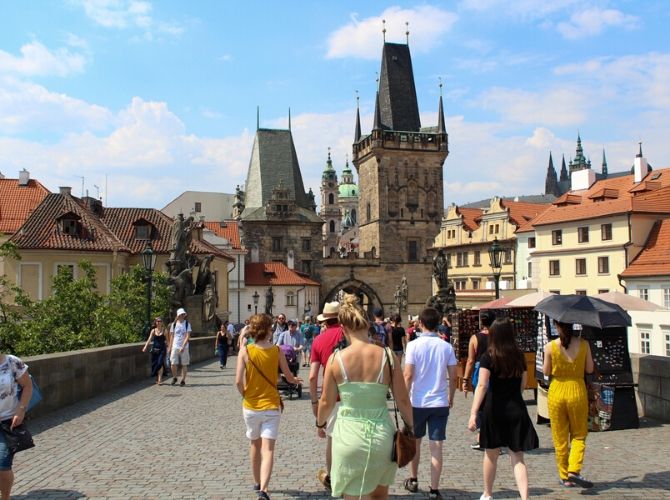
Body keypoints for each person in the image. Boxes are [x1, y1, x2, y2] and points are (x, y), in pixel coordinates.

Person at [317, 294, 413, 499]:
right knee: (379, 497)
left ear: (343, 329)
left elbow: (326, 401)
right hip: (382, 437)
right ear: (367, 325)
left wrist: (320, 423)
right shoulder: (387, 356)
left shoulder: (336, 359)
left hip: (347, 436)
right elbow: (403, 400)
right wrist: (411, 427)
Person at [467, 318, 539, 500]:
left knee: (491, 454)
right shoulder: (519, 356)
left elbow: (482, 385)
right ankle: (525, 497)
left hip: (495, 409)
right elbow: (523, 384)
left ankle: (487, 493)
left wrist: (474, 413)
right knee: (517, 456)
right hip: (516, 408)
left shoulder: (488, 356)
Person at [235, 314, 302, 500]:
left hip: (251, 405)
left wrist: (245, 394)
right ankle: (264, 489)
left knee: (254, 443)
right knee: (268, 449)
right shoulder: (277, 350)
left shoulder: (245, 351)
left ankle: (257, 482)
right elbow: (288, 377)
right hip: (272, 405)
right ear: (268, 330)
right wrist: (295, 380)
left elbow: (238, 381)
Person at [403, 307, 458, 500]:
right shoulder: (446, 347)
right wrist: (451, 396)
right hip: (440, 402)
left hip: (417, 402)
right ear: (438, 324)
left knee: (415, 443)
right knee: (437, 447)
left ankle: (414, 479)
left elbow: (408, 376)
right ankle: (434, 489)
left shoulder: (413, 346)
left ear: (421, 324)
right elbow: (453, 376)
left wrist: (404, 398)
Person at [543, 321, 595, 489]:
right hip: (577, 390)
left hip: (557, 390)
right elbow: (589, 369)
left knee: (560, 437)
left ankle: (564, 476)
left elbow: (545, 371)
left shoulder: (550, 346)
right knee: (579, 434)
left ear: (557, 326)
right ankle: (574, 469)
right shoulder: (584, 344)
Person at [309, 301, 344, 491]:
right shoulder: (350, 335)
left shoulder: (319, 340)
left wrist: (315, 403)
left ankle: (332, 479)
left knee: (331, 438)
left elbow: (313, 376)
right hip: (353, 395)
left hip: (331, 398)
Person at [0, 353, 32, 500]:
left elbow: (27, 386)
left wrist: (21, 410)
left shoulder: (12, 362)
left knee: (2, 465)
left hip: (6, 423)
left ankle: (5, 497)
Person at [462, 309, 495, 450]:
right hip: (496, 371)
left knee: (480, 404)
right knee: (493, 404)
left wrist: (465, 379)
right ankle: (492, 437)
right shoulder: (497, 336)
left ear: (481, 322)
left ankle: (482, 437)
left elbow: (470, 360)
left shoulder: (475, 338)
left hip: (479, 371)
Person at [169, 308, 191, 386]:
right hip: (175, 345)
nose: (182, 316)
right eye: (181, 314)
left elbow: (187, 336)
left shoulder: (187, 324)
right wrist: (170, 347)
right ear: (178, 315)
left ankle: (183, 380)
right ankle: (175, 377)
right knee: (173, 364)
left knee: (184, 364)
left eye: (183, 314)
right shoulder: (174, 324)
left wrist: (182, 346)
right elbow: (171, 336)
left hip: (184, 347)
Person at [142, 317, 168, 384]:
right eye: (157, 321)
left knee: (159, 363)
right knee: (156, 363)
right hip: (155, 349)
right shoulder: (153, 330)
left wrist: (169, 348)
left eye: (160, 321)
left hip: (162, 349)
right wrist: (145, 347)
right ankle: (158, 377)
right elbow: (149, 339)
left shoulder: (165, 330)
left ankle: (160, 379)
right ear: (155, 322)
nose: (159, 322)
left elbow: (168, 341)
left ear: (162, 322)